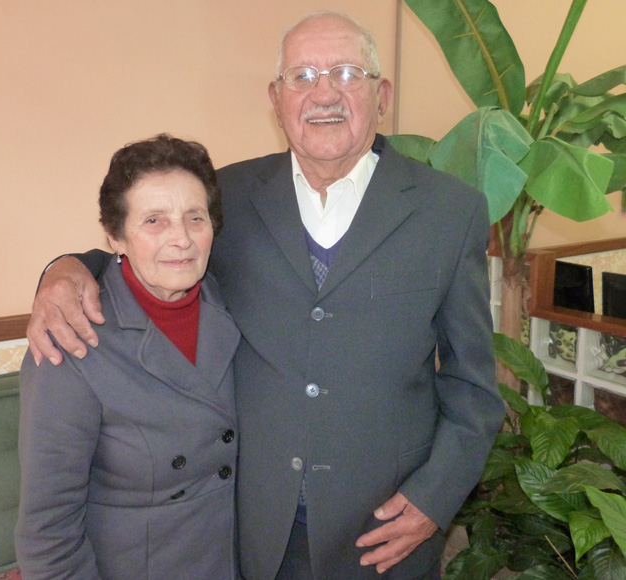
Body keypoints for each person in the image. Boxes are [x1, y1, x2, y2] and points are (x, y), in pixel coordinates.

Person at [27, 11, 505, 580]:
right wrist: (65, 270)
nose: (323, 92)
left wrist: (436, 497)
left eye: (347, 72)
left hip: (382, 531)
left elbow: (473, 386)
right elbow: (154, 249)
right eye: (302, 76)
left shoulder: (450, 211)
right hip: (249, 529)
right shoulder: (230, 192)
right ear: (276, 99)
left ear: (383, 95)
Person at [16, 135, 241, 579]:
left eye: (195, 218)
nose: (181, 238)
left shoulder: (233, 300)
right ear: (116, 237)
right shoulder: (71, 338)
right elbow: (47, 532)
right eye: (154, 220)